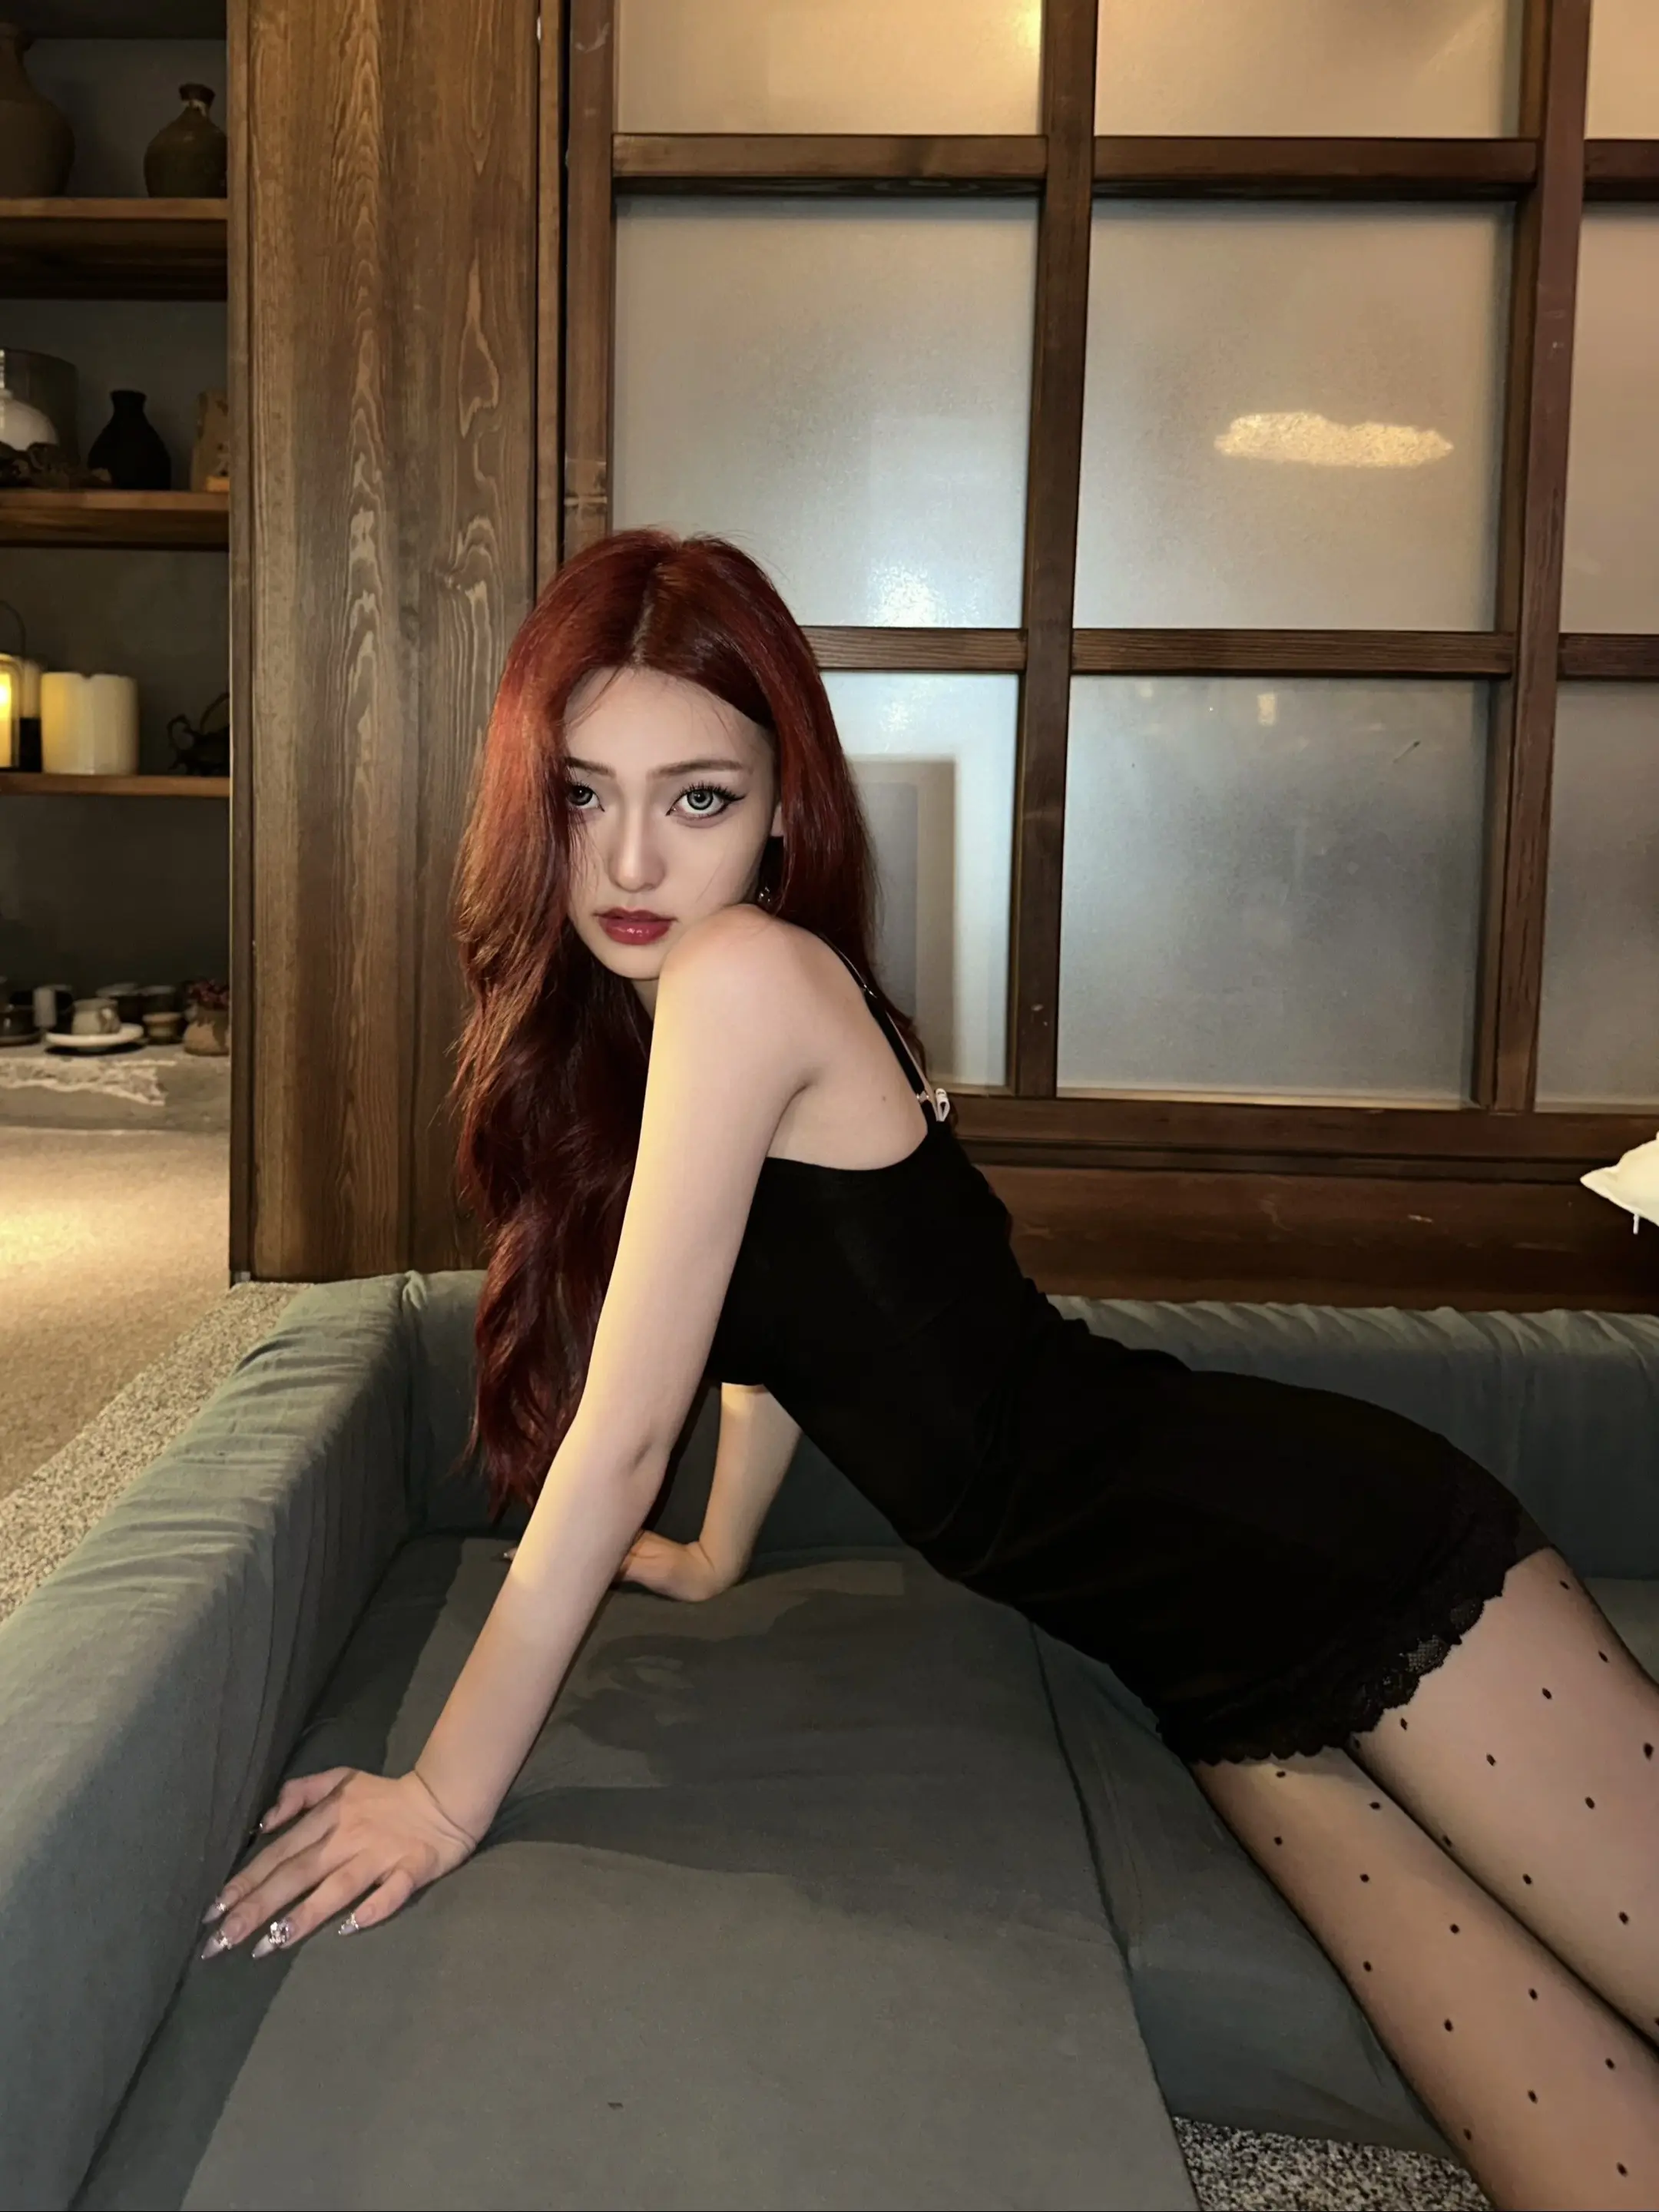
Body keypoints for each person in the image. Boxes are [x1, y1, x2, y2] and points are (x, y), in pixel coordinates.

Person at [197, 529, 1659, 2210]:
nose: (631, 858)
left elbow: (624, 1433)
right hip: (1195, 1643)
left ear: (784, 807)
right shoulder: (684, 1003)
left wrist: (445, 1800)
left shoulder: (741, 974)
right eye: (584, 796)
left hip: (1324, 1554)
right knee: (1565, 2138)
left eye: (698, 798)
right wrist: (722, 1548)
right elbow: (788, 1322)